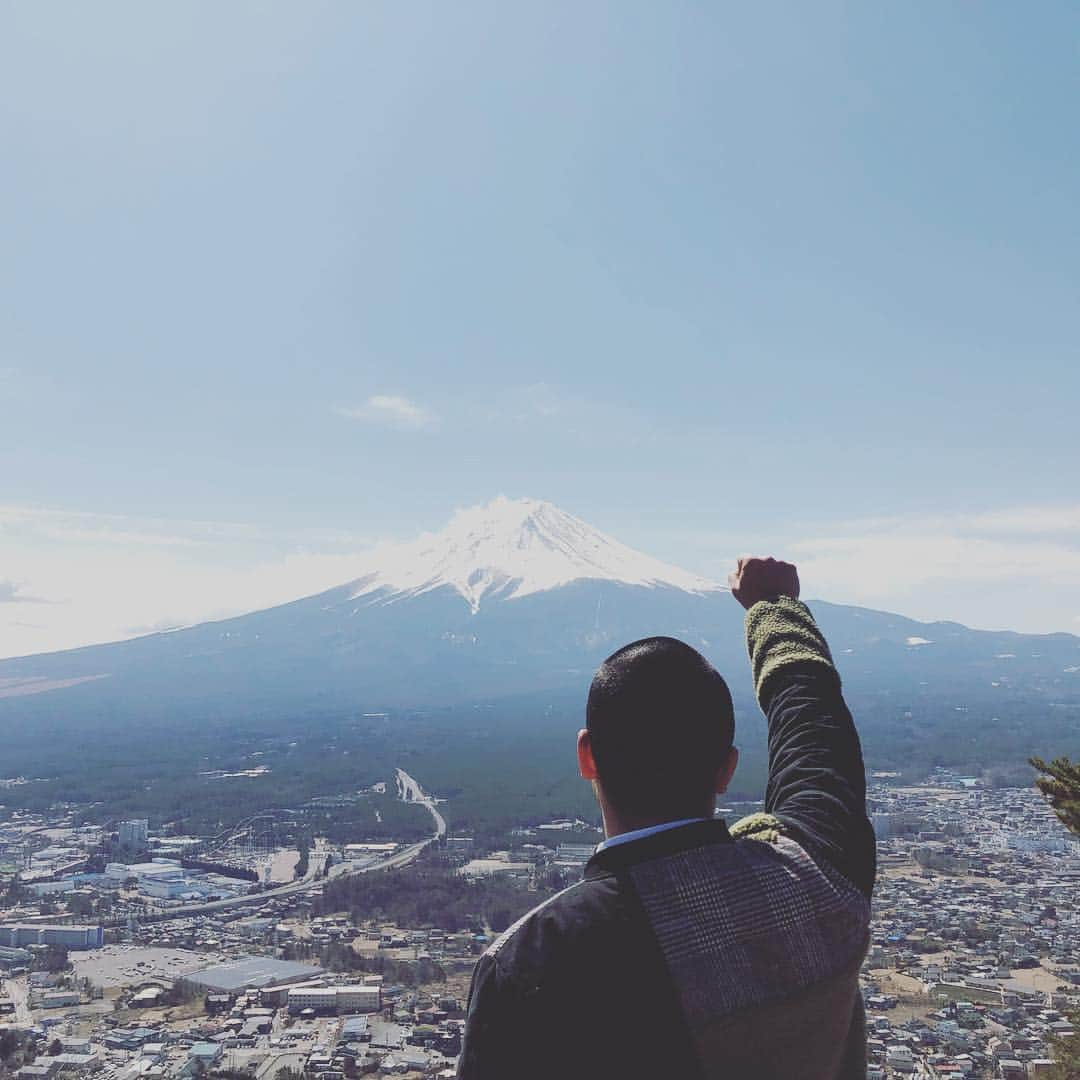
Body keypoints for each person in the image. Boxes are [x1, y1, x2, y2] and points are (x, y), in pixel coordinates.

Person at [456, 556, 876, 1080]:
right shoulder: (819, 875)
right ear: (726, 769)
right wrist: (774, 608)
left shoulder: (533, 961)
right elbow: (816, 732)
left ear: (587, 757)